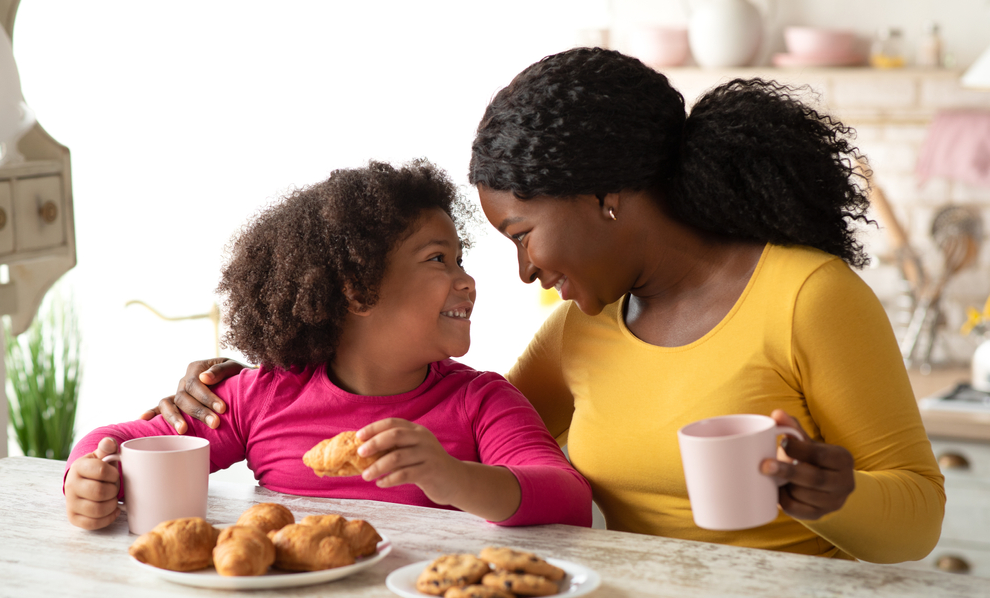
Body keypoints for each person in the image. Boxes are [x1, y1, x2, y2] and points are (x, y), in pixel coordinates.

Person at [151, 49, 944, 563]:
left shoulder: (808, 297)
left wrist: (834, 496)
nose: (524, 270)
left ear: (605, 196)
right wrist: (249, 384)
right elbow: (454, 420)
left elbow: (918, 516)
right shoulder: (580, 329)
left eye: (522, 233)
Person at [64, 159, 592, 531]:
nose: (467, 280)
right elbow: (117, 440)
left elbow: (568, 498)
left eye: (460, 259)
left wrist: (453, 478)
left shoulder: (481, 402)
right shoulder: (261, 396)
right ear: (358, 290)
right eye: (438, 259)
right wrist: (89, 477)